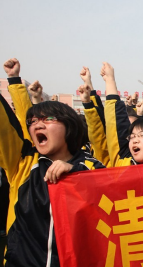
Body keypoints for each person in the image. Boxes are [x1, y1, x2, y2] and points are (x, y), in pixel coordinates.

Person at [2, 58, 105, 267]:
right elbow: (5, 126)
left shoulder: (90, 166)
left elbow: (110, 195)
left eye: (47, 119)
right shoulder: (22, 165)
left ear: (69, 126)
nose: (37, 124)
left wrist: (76, 174)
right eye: (33, 122)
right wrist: (14, 81)